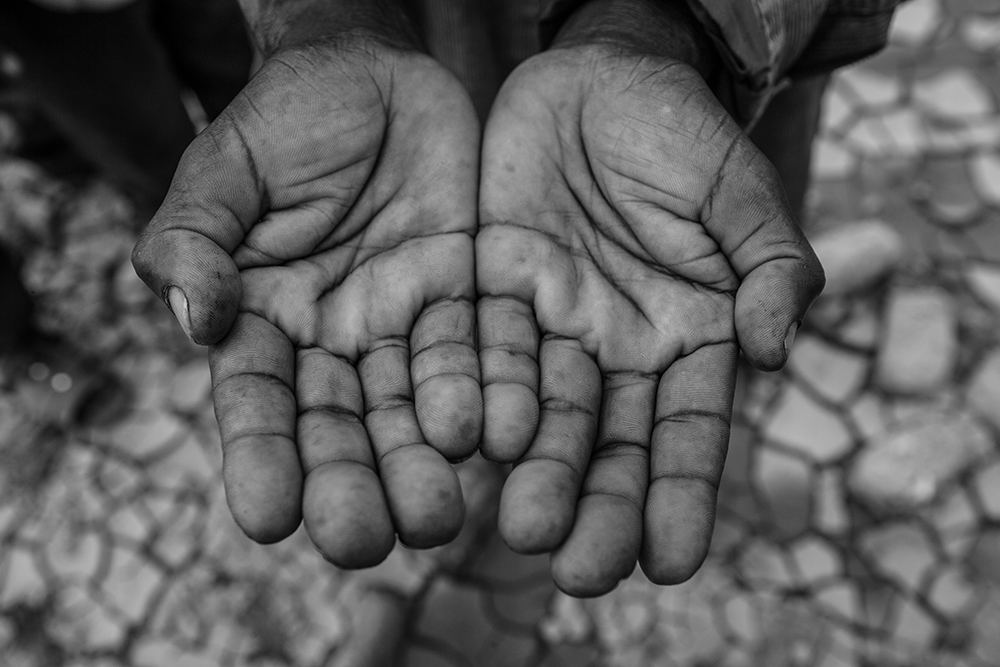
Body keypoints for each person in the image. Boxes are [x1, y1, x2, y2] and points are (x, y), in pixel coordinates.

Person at [131, 0, 901, 597]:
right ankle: (474, 474)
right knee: (477, 383)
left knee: (730, 260)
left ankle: (757, 359)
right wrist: (329, 18)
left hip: (702, 89)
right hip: (425, 69)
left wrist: (661, 25)